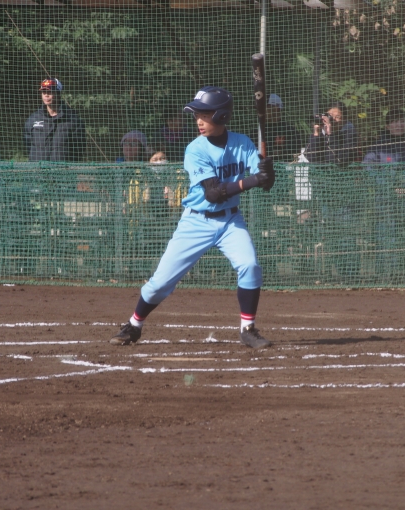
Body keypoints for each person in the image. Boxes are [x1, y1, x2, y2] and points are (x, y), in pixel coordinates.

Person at [109, 86, 275, 349]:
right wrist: (254, 180)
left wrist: (267, 174)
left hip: (230, 221)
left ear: (221, 116)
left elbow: (264, 181)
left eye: (205, 115)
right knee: (160, 283)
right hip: (196, 221)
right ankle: (134, 324)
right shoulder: (195, 149)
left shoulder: (242, 143)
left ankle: (248, 329)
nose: (199, 120)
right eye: (197, 115)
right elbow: (213, 193)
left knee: (250, 266)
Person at [24, 78, 85, 162]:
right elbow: (27, 144)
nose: (46, 95)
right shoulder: (33, 119)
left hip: (63, 169)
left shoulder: (72, 119)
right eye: (44, 92)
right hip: (37, 169)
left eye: (50, 92)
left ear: (58, 93)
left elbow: (79, 148)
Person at [256, 94, 303, 162]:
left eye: (266, 106)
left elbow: (295, 154)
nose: (262, 110)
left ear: (276, 108)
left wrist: (279, 149)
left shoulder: (290, 131)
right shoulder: (258, 130)